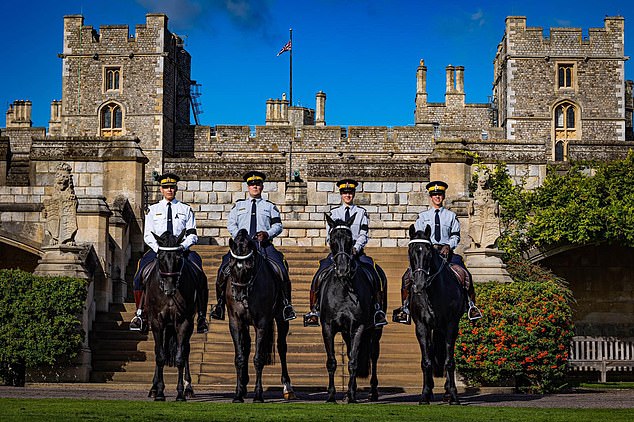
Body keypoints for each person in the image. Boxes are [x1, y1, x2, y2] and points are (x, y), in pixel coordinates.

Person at [209, 170, 296, 321]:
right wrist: (240, 238)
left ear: (262, 187)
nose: (255, 187)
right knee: (223, 269)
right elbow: (231, 224)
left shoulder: (270, 206)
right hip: (242, 248)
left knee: (280, 268)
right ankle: (220, 304)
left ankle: (286, 305)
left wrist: (268, 234)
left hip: (263, 246)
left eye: (258, 184)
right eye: (252, 184)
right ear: (248, 187)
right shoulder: (239, 206)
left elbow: (278, 226)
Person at [129, 173, 209, 334]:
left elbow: (193, 234)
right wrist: (160, 250)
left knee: (200, 275)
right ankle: (140, 314)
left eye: (172, 187)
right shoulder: (153, 210)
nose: (169, 190)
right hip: (159, 251)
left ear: (176, 189)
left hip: (181, 251)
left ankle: (201, 316)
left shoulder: (185, 209)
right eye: (166, 187)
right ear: (161, 189)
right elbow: (147, 235)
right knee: (139, 277)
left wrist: (182, 247)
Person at [393, 180, 482, 323]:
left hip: (446, 253)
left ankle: (471, 306)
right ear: (430, 197)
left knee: (465, 274)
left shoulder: (450, 216)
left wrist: (448, 245)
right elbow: (419, 236)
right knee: (407, 277)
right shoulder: (422, 217)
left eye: (440, 195)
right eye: (435, 195)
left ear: (443, 196)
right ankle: (405, 308)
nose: (437, 197)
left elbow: (456, 235)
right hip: (428, 253)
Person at [303, 178, 388, 328]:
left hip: (356, 253)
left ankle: (377, 309)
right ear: (341, 194)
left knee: (375, 272)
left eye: (350, 192)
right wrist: (338, 250)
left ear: (354, 194)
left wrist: (356, 247)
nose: (347, 195)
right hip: (338, 254)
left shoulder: (361, 213)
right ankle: (315, 309)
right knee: (320, 274)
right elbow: (329, 236)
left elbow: (363, 233)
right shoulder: (333, 213)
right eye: (344, 192)